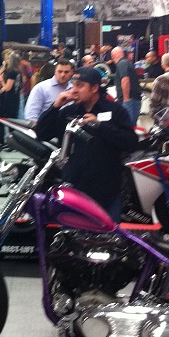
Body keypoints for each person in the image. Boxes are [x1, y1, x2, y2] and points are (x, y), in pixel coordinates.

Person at [34, 66, 138, 221]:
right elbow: (42, 133)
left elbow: (130, 142)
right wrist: (55, 107)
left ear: (94, 88)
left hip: (106, 190)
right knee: (71, 233)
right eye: (73, 85)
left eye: (80, 85)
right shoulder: (68, 112)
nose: (74, 90)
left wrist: (101, 127)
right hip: (74, 188)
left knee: (107, 234)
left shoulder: (115, 110)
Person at [24, 59, 74, 124]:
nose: (62, 75)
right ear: (55, 72)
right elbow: (31, 115)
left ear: (72, 73)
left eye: (66, 72)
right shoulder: (41, 88)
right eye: (60, 71)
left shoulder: (73, 89)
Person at [0, 51, 22, 144]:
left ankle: (10, 141)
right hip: (13, 97)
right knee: (7, 119)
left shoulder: (12, 72)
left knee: (9, 120)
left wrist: (2, 82)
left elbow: (8, 87)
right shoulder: (16, 71)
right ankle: (6, 140)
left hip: (10, 98)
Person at [111, 46, 142, 126]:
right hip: (131, 99)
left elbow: (125, 80)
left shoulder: (122, 63)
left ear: (113, 56)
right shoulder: (126, 63)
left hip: (129, 100)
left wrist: (126, 99)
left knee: (128, 126)